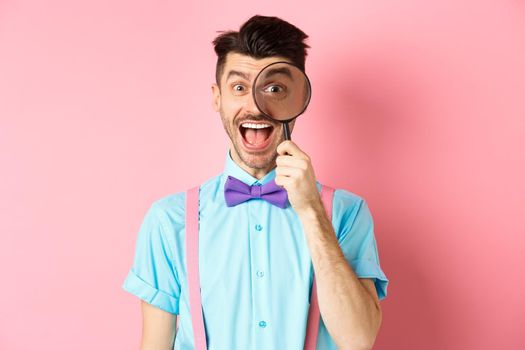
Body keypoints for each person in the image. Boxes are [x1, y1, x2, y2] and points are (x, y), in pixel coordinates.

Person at [122, 15, 389, 350]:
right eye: (238, 88)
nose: (254, 106)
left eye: (274, 89)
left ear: (299, 99)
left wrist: (310, 212)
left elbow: (359, 339)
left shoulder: (347, 213)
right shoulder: (168, 220)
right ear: (217, 98)